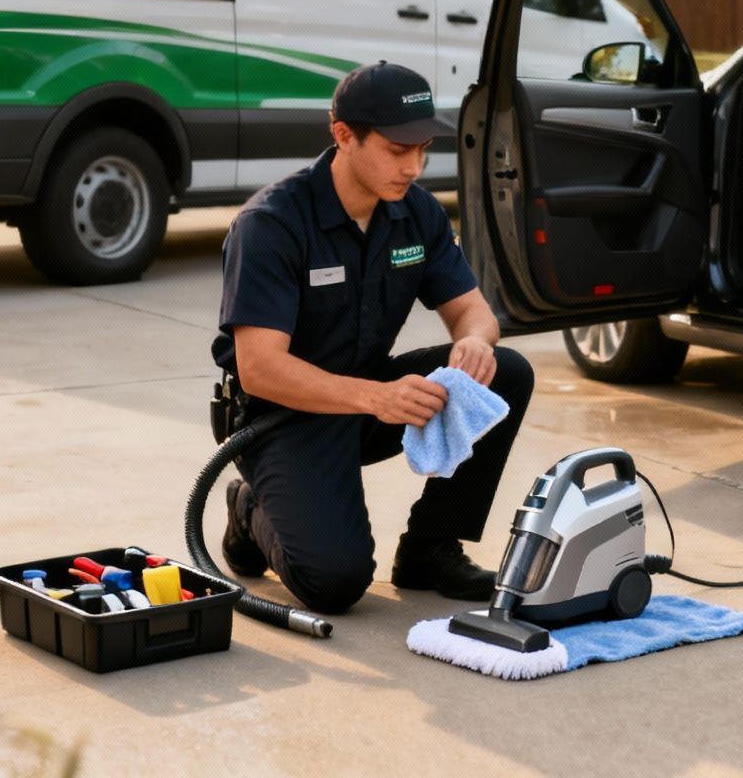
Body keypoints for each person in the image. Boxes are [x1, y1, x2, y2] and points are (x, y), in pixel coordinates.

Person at [210, 61, 533, 615]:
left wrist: (475, 342)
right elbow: (260, 368)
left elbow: (473, 312)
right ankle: (249, 509)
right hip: (279, 414)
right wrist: (377, 398)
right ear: (343, 136)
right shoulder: (272, 224)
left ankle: (430, 548)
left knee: (505, 369)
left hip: (363, 400)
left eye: (423, 148)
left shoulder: (415, 214)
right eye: (396, 149)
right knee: (334, 583)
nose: (414, 166)